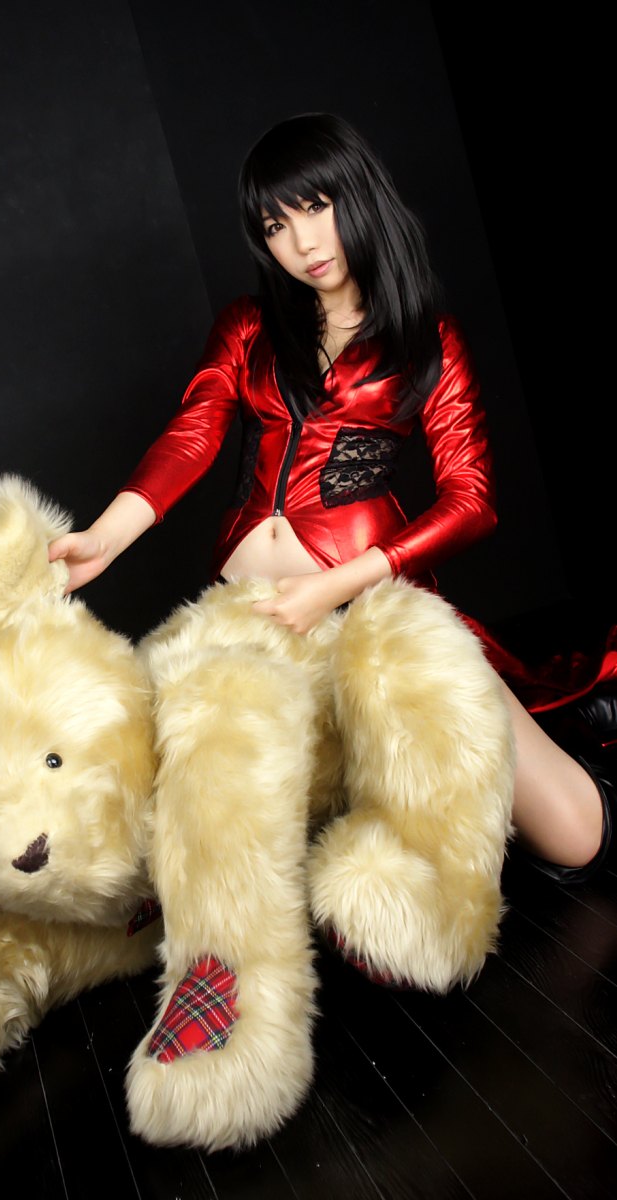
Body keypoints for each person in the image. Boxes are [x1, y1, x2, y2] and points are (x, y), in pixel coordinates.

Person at [49, 112, 615, 884]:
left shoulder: (425, 339)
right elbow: (193, 434)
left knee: (575, 837)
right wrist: (103, 538)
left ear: (357, 196)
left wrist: (334, 587)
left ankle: (544, 751)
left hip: (370, 607)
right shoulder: (249, 327)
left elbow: (471, 500)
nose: (302, 243)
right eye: (274, 225)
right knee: (174, 832)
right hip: (249, 621)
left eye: (315, 207)